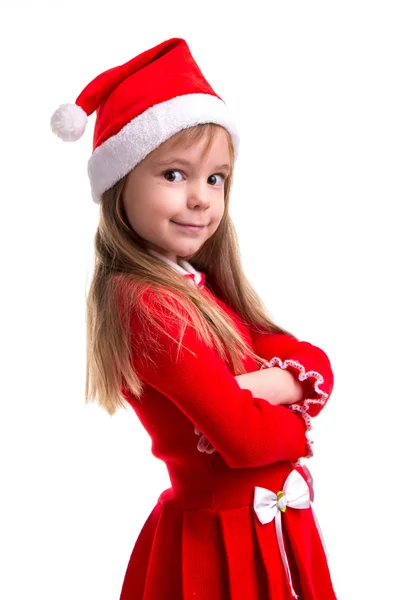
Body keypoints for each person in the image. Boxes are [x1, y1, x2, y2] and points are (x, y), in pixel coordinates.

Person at [51, 37, 337, 600]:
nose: (203, 198)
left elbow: (307, 355)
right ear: (120, 184)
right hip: (218, 542)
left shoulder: (196, 283)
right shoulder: (142, 303)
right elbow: (245, 440)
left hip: (261, 530)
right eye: (174, 174)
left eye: (216, 178)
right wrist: (297, 421)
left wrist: (254, 384)